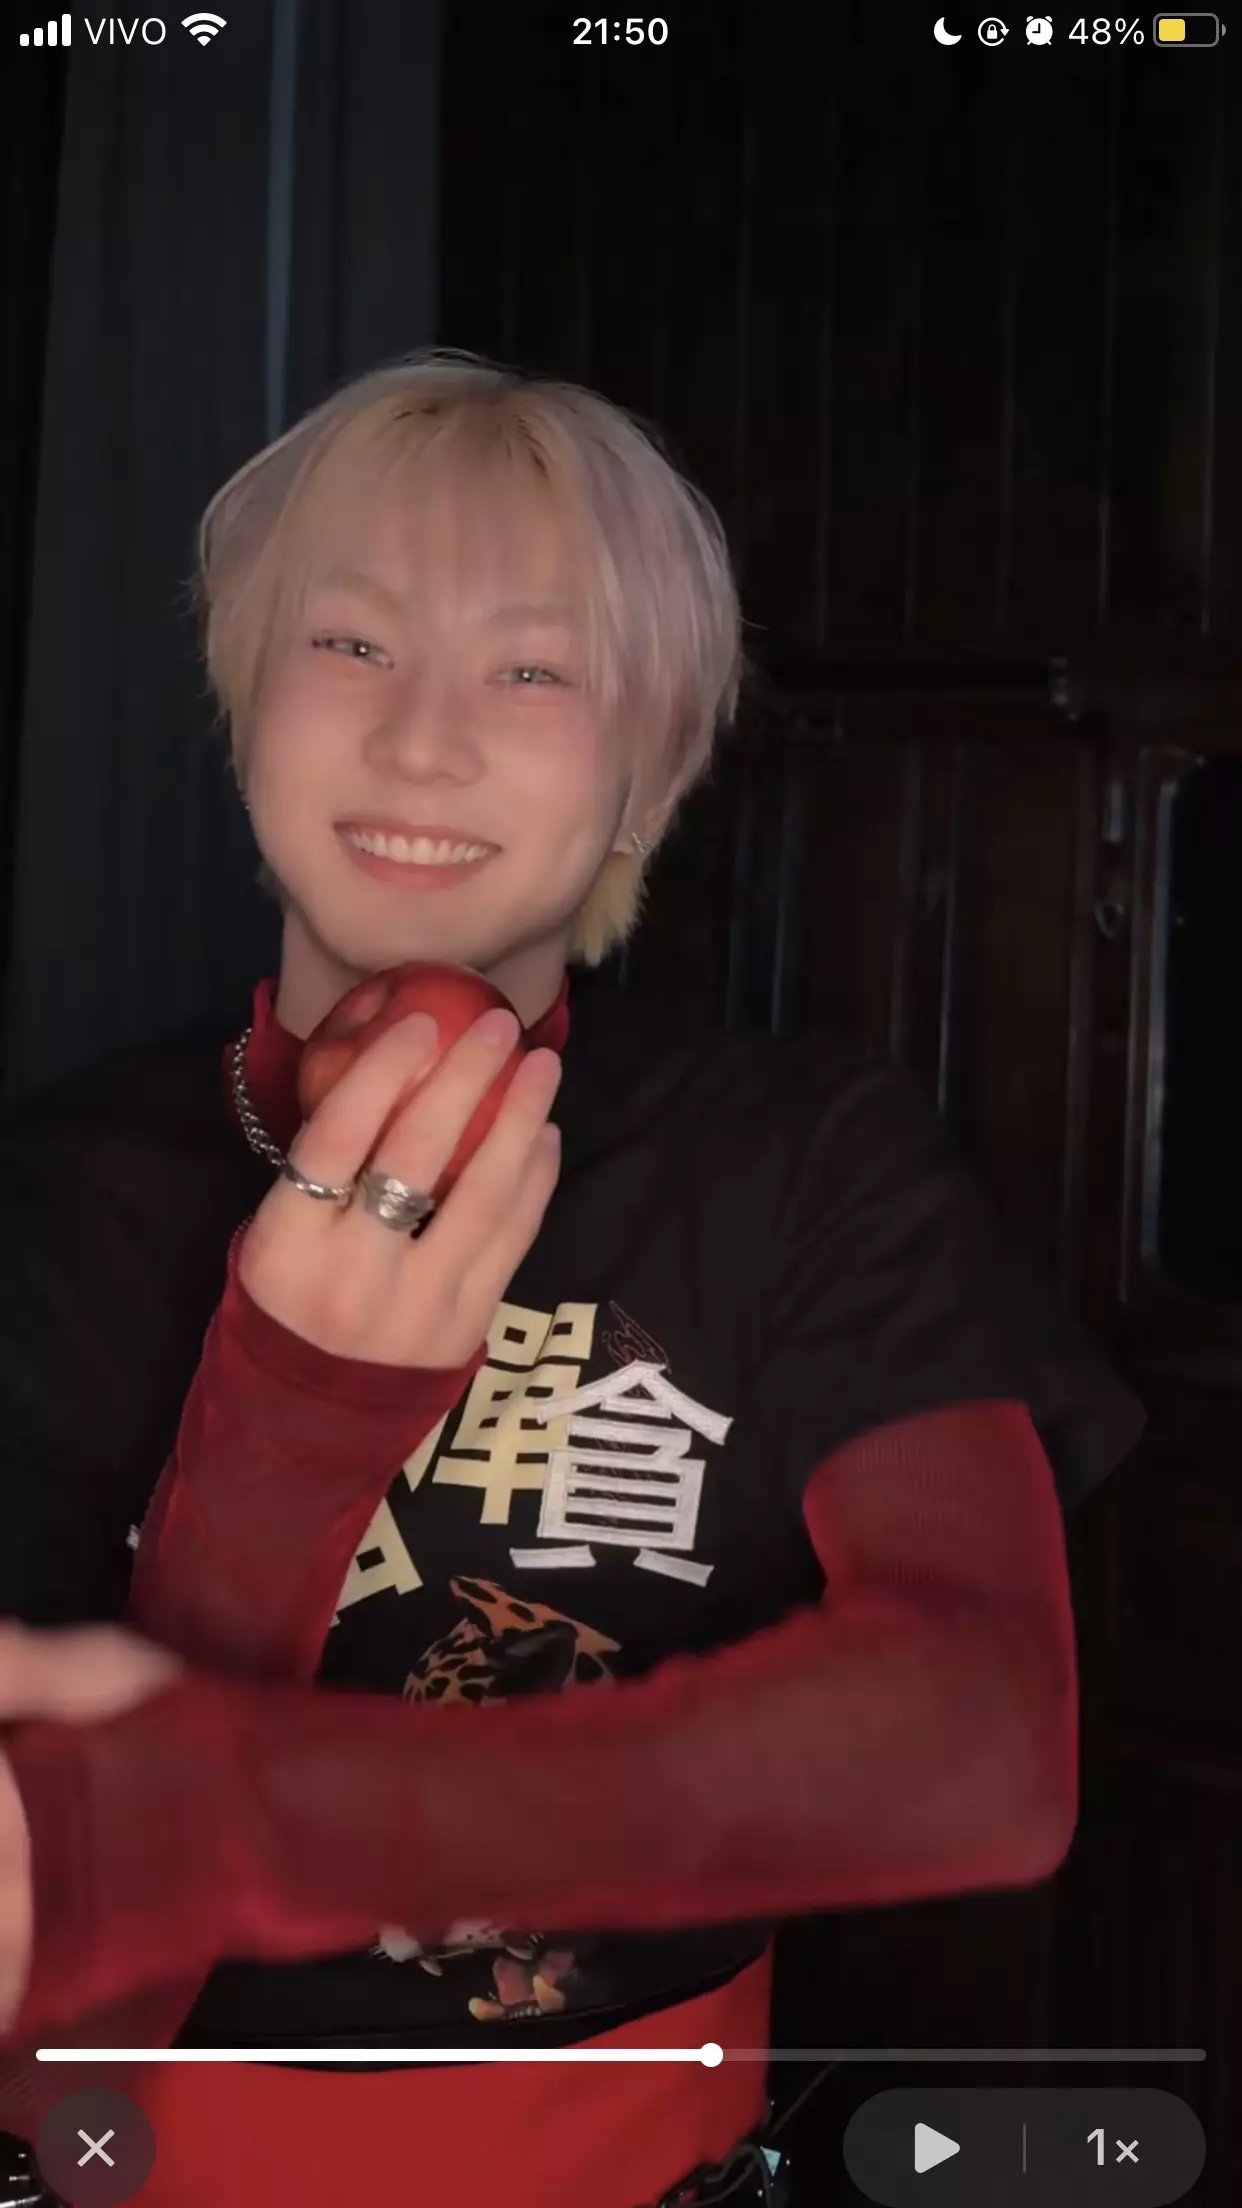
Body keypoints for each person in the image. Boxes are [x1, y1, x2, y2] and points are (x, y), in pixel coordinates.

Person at [0, 349, 1142, 2208]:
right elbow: (42, 1985)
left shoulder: (804, 1165)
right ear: (245, 703)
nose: (421, 740)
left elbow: (984, 1746)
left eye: (531, 670)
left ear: (645, 774)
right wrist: (284, 1425)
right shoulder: (51, 1199)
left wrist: (234, 1806)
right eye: (349, 643)